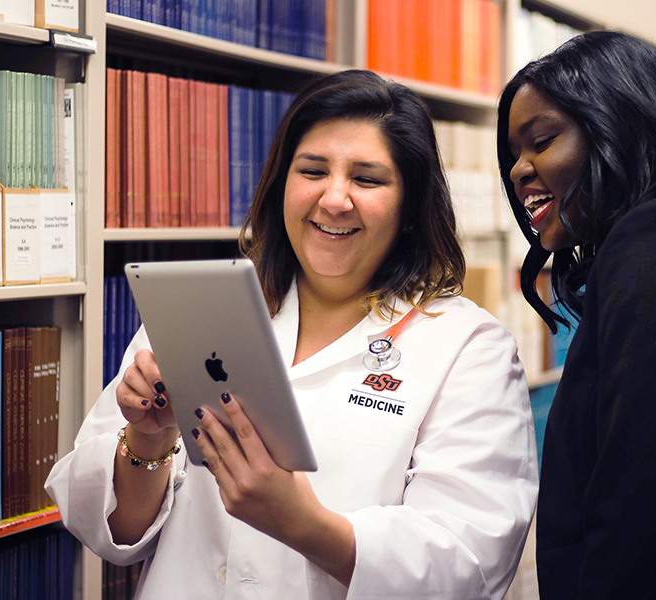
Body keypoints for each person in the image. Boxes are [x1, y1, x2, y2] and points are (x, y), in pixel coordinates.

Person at [47, 69, 538, 600]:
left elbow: (467, 565)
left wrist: (304, 524)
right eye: (313, 170)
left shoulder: (468, 347)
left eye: (367, 179)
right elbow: (103, 528)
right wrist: (147, 440)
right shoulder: (204, 308)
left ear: (410, 209)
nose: (334, 198)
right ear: (283, 182)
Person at [496, 31, 656, 600]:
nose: (519, 170)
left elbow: (642, 494)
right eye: (515, 153)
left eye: (542, 141)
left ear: (621, 125)